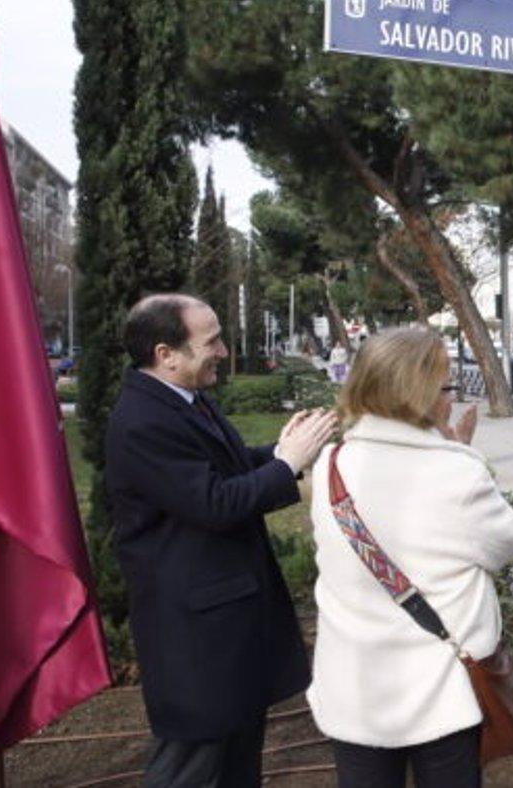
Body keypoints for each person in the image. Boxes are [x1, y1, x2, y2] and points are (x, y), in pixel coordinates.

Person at [104, 294, 338, 786]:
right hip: (195, 641)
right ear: (166, 354)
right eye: (210, 341)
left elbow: (226, 468)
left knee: (236, 765)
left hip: (223, 629)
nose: (224, 352)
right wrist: (287, 465)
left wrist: (281, 449)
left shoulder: (181, 399)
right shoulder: (142, 420)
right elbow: (213, 504)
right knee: (192, 768)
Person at [305, 327, 513, 785]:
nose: (452, 398)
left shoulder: (331, 464)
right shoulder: (456, 472)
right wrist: (458, 452)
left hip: (354, 689)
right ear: (421, 393)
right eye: (447, 386)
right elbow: (510, 542)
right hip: (442, 694)